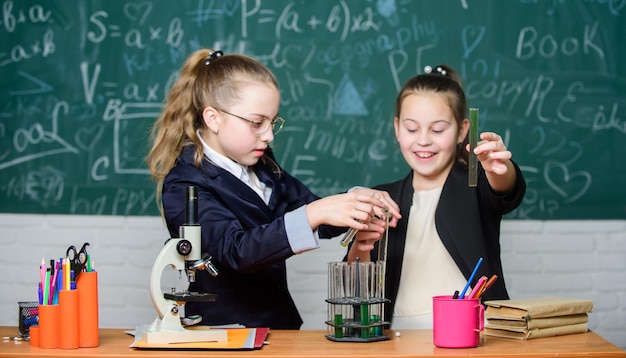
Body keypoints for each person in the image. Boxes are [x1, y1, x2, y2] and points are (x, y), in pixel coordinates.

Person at [146, 49, 400, 329]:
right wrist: (316, 212)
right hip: (224, 334)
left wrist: (357, 201)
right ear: (213, 118)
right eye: (256, 123)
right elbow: (236, 250)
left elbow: (318, 217)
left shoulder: (263, 165)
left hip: (279, 329)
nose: (268, 135)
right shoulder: (185, 184)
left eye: (272, 122)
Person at [346, 64, 526, 329]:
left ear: (462, 130)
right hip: (398, 337)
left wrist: (500, 167)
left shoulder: (475, 186)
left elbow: (505, 187)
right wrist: (360, 246)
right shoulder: (385, 197)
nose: (423, 141)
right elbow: (355, 280)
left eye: (438, 130)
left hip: (474, 335)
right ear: (397, 128)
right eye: (411, 129)